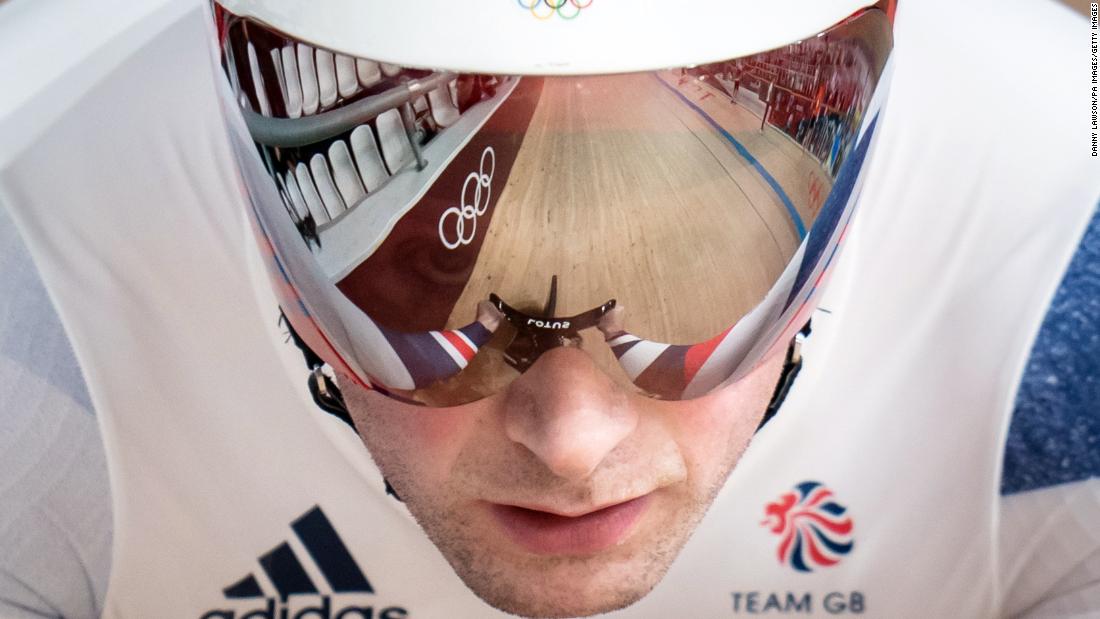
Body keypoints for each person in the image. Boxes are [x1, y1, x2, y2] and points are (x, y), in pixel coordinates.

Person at [0, 0, 1097, 617]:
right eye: (449, 284)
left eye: (686, 255)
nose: (570, 441)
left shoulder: (1065, 224)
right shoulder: (28, 251)